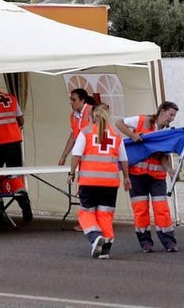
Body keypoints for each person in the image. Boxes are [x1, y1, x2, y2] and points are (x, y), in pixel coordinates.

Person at [116, 100, 179, 253]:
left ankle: (169, 242)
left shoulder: (166, 133)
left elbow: (163, 157)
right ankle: (145, 242)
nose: (171, 119)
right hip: (137, 175)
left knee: (162, 209)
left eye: (174, 116)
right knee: (141, 210)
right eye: (170, 114)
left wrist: (170, 171)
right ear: (162, 110)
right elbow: (119, 123)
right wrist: (132, 135)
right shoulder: (142, 120)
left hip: (157, 176)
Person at [70, 102, 130, 259]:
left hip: (89, 181)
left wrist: (71, 173)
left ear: (92, 116)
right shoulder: (116, 135)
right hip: (110, 183)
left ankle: (95, 236)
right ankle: (106, 249)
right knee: (105, 214)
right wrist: (127, 178)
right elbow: (123, 159)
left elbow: (76, 155)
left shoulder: (86, 132)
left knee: (85, 212)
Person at [0, 75, 32, 222]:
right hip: (15, 142)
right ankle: (24, 202)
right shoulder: (12, 98)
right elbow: (21, 120)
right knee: (15, 174)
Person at [58, 89, 95, 166]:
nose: (71, 102)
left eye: (74, 100)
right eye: (71, 100)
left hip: (93, 154)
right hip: (82, 154)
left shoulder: (92, 111)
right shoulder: (73, 116)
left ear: (82, 100)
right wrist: (63, 156)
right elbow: (73, 136)